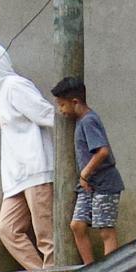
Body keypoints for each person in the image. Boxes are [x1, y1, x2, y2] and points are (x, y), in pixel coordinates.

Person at [0, 42, 65, 272]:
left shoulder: (15, 86)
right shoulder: (2, 93)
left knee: (45, 234)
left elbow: (47, 114)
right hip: (16, 179)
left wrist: (75, 131)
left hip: (36, 170)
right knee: (7, 229)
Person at [52, 72, 123, 262]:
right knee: (77, 225)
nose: (60, 110)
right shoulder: (80, 121)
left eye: (62, 105)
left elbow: (102, 151)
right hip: (89, 185)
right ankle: (89, 269)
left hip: (104, 183)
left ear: (75, 102)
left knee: (106, 231)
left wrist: (84, 173)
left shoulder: (89, 120)